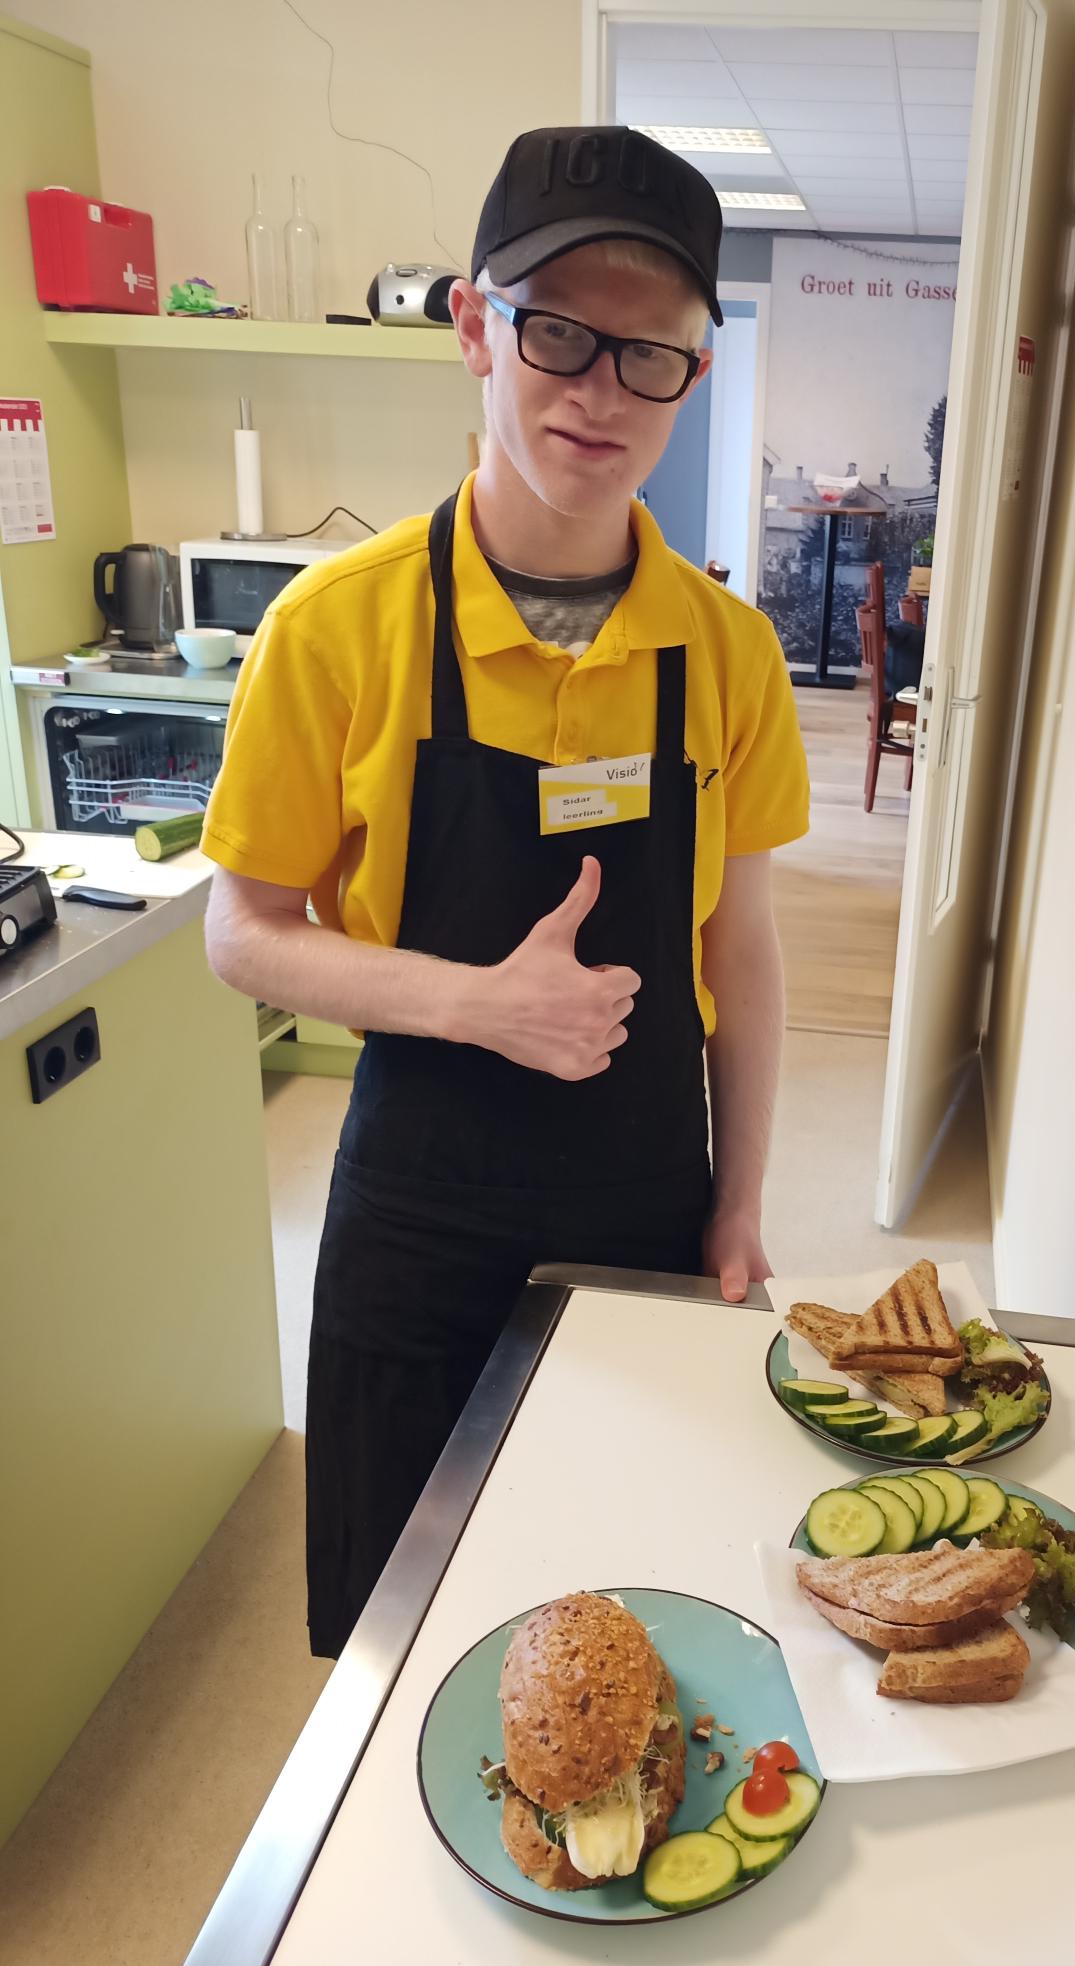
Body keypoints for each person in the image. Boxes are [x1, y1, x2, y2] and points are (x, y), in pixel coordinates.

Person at [201, 127, 810, 1658]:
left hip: (643, 1191)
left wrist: (739, 1197)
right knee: (403, 1635)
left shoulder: (725, 657)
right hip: (418, 1207)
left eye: (650, 354)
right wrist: (479, 1004)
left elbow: (741, 941)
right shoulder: (338, 630)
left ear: (697, 370)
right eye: (558, 333)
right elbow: (244, 932)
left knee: (621, 1603)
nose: (598, 391)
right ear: (476, 328)